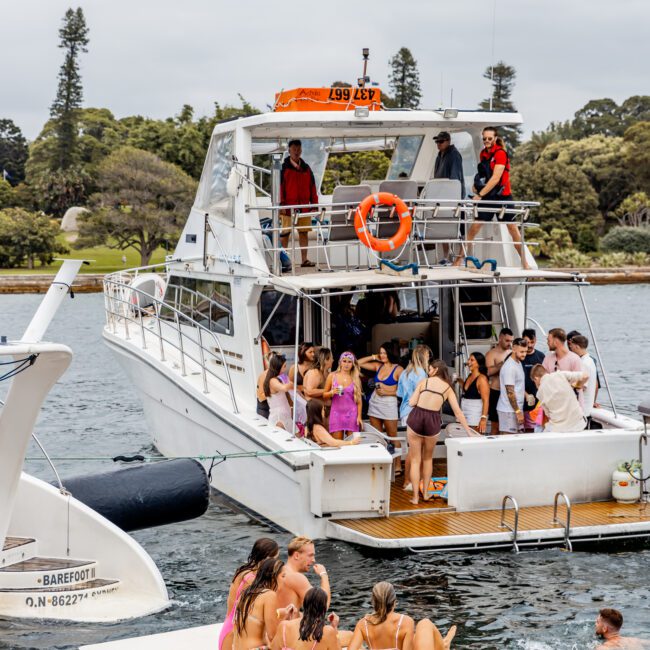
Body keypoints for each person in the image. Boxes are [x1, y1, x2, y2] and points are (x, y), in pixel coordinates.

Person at [453, 126, 529, 269]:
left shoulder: (501, 154)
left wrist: (480, 195)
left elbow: (495, 178)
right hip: (488, 196)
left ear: (495, 138)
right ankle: (458, 260)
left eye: (489, 138)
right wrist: (476, 187)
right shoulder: (483, 154)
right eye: (484, 139)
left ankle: (525, 263)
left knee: (513, 229)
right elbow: (483, 175)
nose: (487, 141)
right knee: (474, 228)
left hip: (503, 197)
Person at [406, 360, 473, 505]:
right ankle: (426, 494)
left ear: (435, 370)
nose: (428, 371)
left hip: (416, 418)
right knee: (428, 459)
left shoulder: (424, 382)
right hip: (432, 420)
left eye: (429, 369)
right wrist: (469, 432)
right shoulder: (447, 388)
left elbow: (411, 402)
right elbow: (458, 413)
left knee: (416, 459)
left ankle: (415, 498)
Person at [219, 538, 280, 650]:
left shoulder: (243, 571)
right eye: (275, 559)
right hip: (235, 632)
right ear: (267, 559)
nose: (276, 563)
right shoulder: (253, 581)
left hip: (229, 627)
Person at [359, 344, 404, 474]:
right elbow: (358, 362)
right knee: (378, 437)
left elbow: (404, 391)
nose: (382, 355)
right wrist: (374, 356)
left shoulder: (399, 369)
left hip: (389, 405)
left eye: (384, 353)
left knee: (392, 436)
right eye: (380, 353)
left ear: (390, 353)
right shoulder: (378, 366)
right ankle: (382, 465)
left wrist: (388, 392)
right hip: (375, 404)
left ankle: (397, 466)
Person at [233, 558, 292, 650]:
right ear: (273, 577)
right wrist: (287, 621)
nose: (286, 581)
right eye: (283, 576)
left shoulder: (246, 592)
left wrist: (281, 613)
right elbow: (273, 636)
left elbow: (255, 617)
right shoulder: (269, 595)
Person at [397, 345, 432, 492]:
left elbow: (399, 394)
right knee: (419, 450)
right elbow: (422, 396)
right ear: (423, 357)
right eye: (428, 356)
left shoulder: (405, 372)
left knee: (412, 449)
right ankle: (415, 481)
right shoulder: (422, 374)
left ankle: (407, 480)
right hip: (417, 411)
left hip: (405, 412)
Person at [280, 139, 318, 269]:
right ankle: (282, 261)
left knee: (304, 232)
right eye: (294, 149)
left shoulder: (307, 168)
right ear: (289, 150)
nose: (296, 151)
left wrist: (314, 205)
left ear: (301, 150)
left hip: (304, 207)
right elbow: (280, 187)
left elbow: (312, 187)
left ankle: (304, 260)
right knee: (285, 233)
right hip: (287, 207)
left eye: (298, 149)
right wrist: (281, 205)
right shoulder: (283, 168)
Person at [348, 582, 415, 650]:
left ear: (373, 602)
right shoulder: (406, 621)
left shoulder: (363, 623)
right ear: (394, 602)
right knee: (424, 624)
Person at [272, 587, 343, 650]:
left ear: (304, 604)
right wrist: (335, 627)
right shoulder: (327, 632)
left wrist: (286, 618)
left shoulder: (284, 626)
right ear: (323, 609)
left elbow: (272, 648)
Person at [433, 131, 465, 263]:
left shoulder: (454, 155)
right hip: (441, 197)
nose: (438, 144)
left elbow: (455, 179)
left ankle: (459, 258)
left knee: (458, 230)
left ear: (448, 141)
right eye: (437, 142)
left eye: (440, 142)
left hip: (453, 198)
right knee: (442, 227)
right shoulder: (439, 155)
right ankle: (446, 257)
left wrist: (454, 201)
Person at [275, 536, 330, 610]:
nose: (314, 560)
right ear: (297, 555)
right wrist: (324, 574)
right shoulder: (295, 577)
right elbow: (322, 607)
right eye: (310, 555)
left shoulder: (280, 570)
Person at [530, 365, 588, 432]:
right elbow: (585, 376)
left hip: (558, 428)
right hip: (579, 423)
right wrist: (577, 386)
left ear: (536, 378)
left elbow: (548, 414)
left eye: (534, 381)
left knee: (542, 431)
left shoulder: (539, 393)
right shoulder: (560, 374)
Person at [323, 352, 363, 439]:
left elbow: (359, 401)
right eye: (344, 361)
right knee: (338, 444)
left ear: (353, 364)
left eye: (349, 362)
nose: (346, 364)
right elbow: (324, 395)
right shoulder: (332, 376)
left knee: (353, 444)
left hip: (352, 413)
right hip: (336, 413)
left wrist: (359, 417)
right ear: (340, 362)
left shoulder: (355, 378)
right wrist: (331, 392)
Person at [542, 328, 584, 409]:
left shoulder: (574, 359)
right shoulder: (547, 359)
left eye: (548, 340)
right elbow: (543, 381)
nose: (547, 342)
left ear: (556, 341)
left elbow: (580, 384)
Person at [496, 337, 528, 434]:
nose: (524, 354)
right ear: (513, 349)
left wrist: (526, 395)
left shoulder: (518, 363)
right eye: (522, 352)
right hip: (508, 411)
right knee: (508, 440)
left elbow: (517, 386)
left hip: (515, 409)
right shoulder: (509, 367)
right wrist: (518, 412)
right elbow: (510, 392)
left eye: (526, 351)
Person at [485, 328, 514, 434]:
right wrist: (502, 365)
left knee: (509, 426)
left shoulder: (512, 352)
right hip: (496, 392)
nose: (509, 344)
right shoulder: (491, 354)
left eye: (511, 341)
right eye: (507, 341)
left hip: (509, 392)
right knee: (495, 426)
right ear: (500, 338)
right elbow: (488, 372)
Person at [568, 334, 599, 425]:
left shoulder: (584, 363)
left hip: (583, 410)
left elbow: (582, 386)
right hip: (586, 408)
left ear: (577, 346)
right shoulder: (590, 360)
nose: (570, 349)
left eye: (571, 346)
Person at [521, 328, 545, 431]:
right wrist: (525, 395)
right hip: (522, 400)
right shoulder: (520, 356)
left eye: (532, 342)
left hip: (538, 401)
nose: (530, 345)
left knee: (536, 428)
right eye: (527, 342)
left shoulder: (541, 356)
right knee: (524, 429)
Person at [460, 352, 490, 434]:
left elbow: (486, 400)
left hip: (474, 416)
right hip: (465, 413)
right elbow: (468, 391)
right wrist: (459, 381)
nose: (468, 362)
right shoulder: (470, 376)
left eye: (472, 360)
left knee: (474, 438)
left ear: (478, 363)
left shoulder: (482, 379)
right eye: (469, 359)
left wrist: (483, 419)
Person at [265, 354, 294, 431]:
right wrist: (290, 384)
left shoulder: (279, 378)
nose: (285, 368)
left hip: (285, 415)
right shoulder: (272, 381)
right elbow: (284, 388)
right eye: (284, 366)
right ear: (278, 367)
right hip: (279, 418)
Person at [256, 353, 275, 419]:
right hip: (265, 409)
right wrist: (273, 391)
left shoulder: (281, 375)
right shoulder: (263, 376)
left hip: (276, 408)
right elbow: (260, 397)